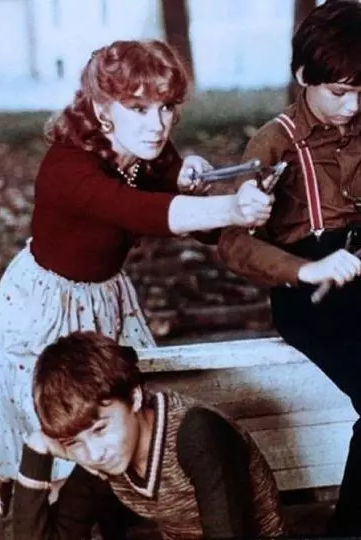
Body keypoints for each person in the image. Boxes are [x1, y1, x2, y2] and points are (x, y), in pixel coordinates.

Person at [0, 38, 275, 520]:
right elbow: (143, 211)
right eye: (138, 108)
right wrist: (231, 207)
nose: (157, 125)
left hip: (106, 296)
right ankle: (30, 498)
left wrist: (214, 192)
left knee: (115, 420)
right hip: (43, 305)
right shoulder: (66, 168)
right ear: (101, 109)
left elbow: (192, 213)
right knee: (64, 423)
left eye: (167, 107)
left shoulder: (146, 148)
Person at [217, 1, 361, 536]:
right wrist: (304, 271)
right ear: (303, 76)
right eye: (339, 92)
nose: (352, 107)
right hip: (309, 293)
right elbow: (233, 245)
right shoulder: (274, 143)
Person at [12, 331, 285, 540]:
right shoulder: (103, 457)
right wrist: (36, 450)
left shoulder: (198, 433)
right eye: (73, 442)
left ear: (134, 397)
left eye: (100, 429)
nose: (94, 453)